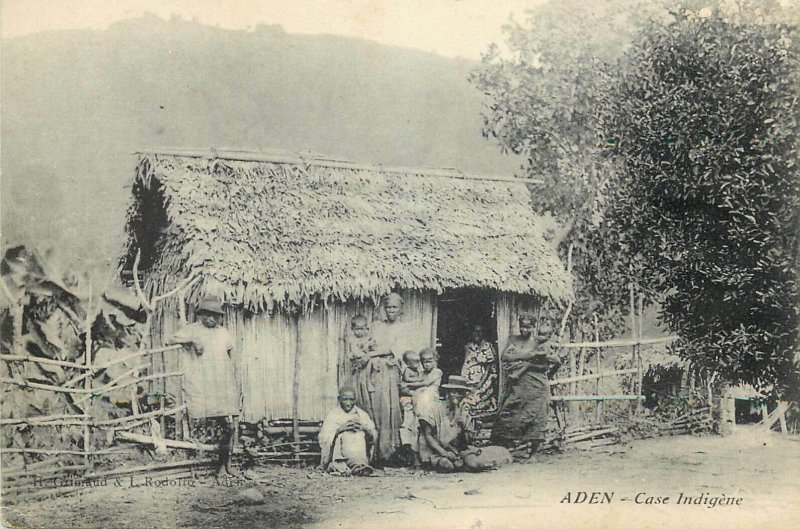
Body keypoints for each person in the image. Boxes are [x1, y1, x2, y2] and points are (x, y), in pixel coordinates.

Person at [167, 296, 241, 477]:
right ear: (201, 315)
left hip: (221, 385)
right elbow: (169, 340)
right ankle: (205, 464)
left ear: (219, 317)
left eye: (215, 316)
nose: (211, 319)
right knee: (203, 423)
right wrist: (191, 342)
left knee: (229, 427)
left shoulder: (223, 333)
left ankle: (224, 466)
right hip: (202, 385)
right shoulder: (192, 330)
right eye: (207, 315)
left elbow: (231, 351)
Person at [491, 316, 561, 459]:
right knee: (508, 413)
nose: (524, 329)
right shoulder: (513, 340)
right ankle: (505, 450)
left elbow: (553, 362)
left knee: (536, 416)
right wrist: (528, 356)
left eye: (528, 327)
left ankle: (533, 454)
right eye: (522, 326)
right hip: (518, 385)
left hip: (537, 385)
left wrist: (547, 375)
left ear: (533, 327)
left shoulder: (540, 342)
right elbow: (505, 357)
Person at [417, 376, 512, 472]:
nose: (457, 395)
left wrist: (462, 424)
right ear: (448, 393)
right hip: (435, 450)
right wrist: (444, 453)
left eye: (460, 393)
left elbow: (466, 441)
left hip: (455, 450)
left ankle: (467, 464)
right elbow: (428, 435)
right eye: (454, 392)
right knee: (446, 465)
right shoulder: (434, 409)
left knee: (472, 463)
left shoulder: (463, 413)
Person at [361, 293, 407, 464]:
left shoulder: (403, 328)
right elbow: (367, 342)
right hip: (372, 371)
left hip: (389, 372)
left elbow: (395, 349)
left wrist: (373, 353)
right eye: (388, 307)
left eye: (395, 307)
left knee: (388, 408)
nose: (391, 311)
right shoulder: (376, 326)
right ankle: (372, 452)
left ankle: (388, 451)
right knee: (372, 407)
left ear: (401, 309)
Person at [318, 386, 377, 476]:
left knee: (359, 434)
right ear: (339, 399)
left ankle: (359, 466)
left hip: (359, 453)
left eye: (351, 400)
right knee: (343, 435)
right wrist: (339, 430)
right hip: (339, 453)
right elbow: (324, 439)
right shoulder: (332, 415)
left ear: (355, 399)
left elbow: (374, 437)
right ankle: (345, 466)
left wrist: (365, 429)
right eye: (345, 400)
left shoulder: (361, 414)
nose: (348, 403)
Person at [459, 324, 499, 417]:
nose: (477, 334)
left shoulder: (488, 347)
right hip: (470, 380)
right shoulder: (469, 347)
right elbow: (466, 364)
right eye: (475, 331)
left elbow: (489, 369)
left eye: (479, 331)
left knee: (475, 400)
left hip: (483, 381)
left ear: (483, 333)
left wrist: (479, 385)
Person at [399, 350, 422, 455]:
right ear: (408, 363)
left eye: (419, 361)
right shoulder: (408, 370)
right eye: (416, 361)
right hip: (407, 396)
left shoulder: (417, 371)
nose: (418, 363)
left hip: (414, 394)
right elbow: (407, 379)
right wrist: (417, 382)